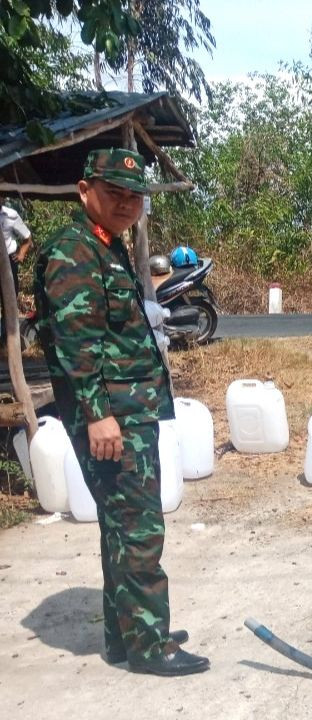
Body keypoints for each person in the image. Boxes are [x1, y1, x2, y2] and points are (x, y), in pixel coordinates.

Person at [33, 148, 208, 676]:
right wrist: (97, 414)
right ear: (86, 190)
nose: (127, 204)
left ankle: (127, 635)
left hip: (127, 409)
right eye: (115, 193)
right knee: (139, 528)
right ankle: (150, 648)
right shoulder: (74, 252)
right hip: (113, 416)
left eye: (135, 196)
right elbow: (74, 341)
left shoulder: (102, 246)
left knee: (121, 526)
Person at [1, 202, 33, 283]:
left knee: (9, 293)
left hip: (7, 262)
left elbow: (27, 236)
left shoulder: (10, 215)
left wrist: (21, 254)